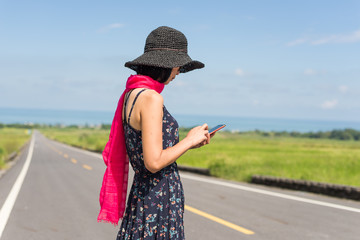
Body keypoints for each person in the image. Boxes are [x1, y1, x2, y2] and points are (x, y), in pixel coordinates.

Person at [98, 26, 212, 239]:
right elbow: (154, 162)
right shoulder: (151, 98)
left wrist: (192, 142)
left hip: (142, 193)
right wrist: (188, 140)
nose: (178, 72)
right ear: (166, 64)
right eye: (178, 66)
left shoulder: (130, 95)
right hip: (157, 197)